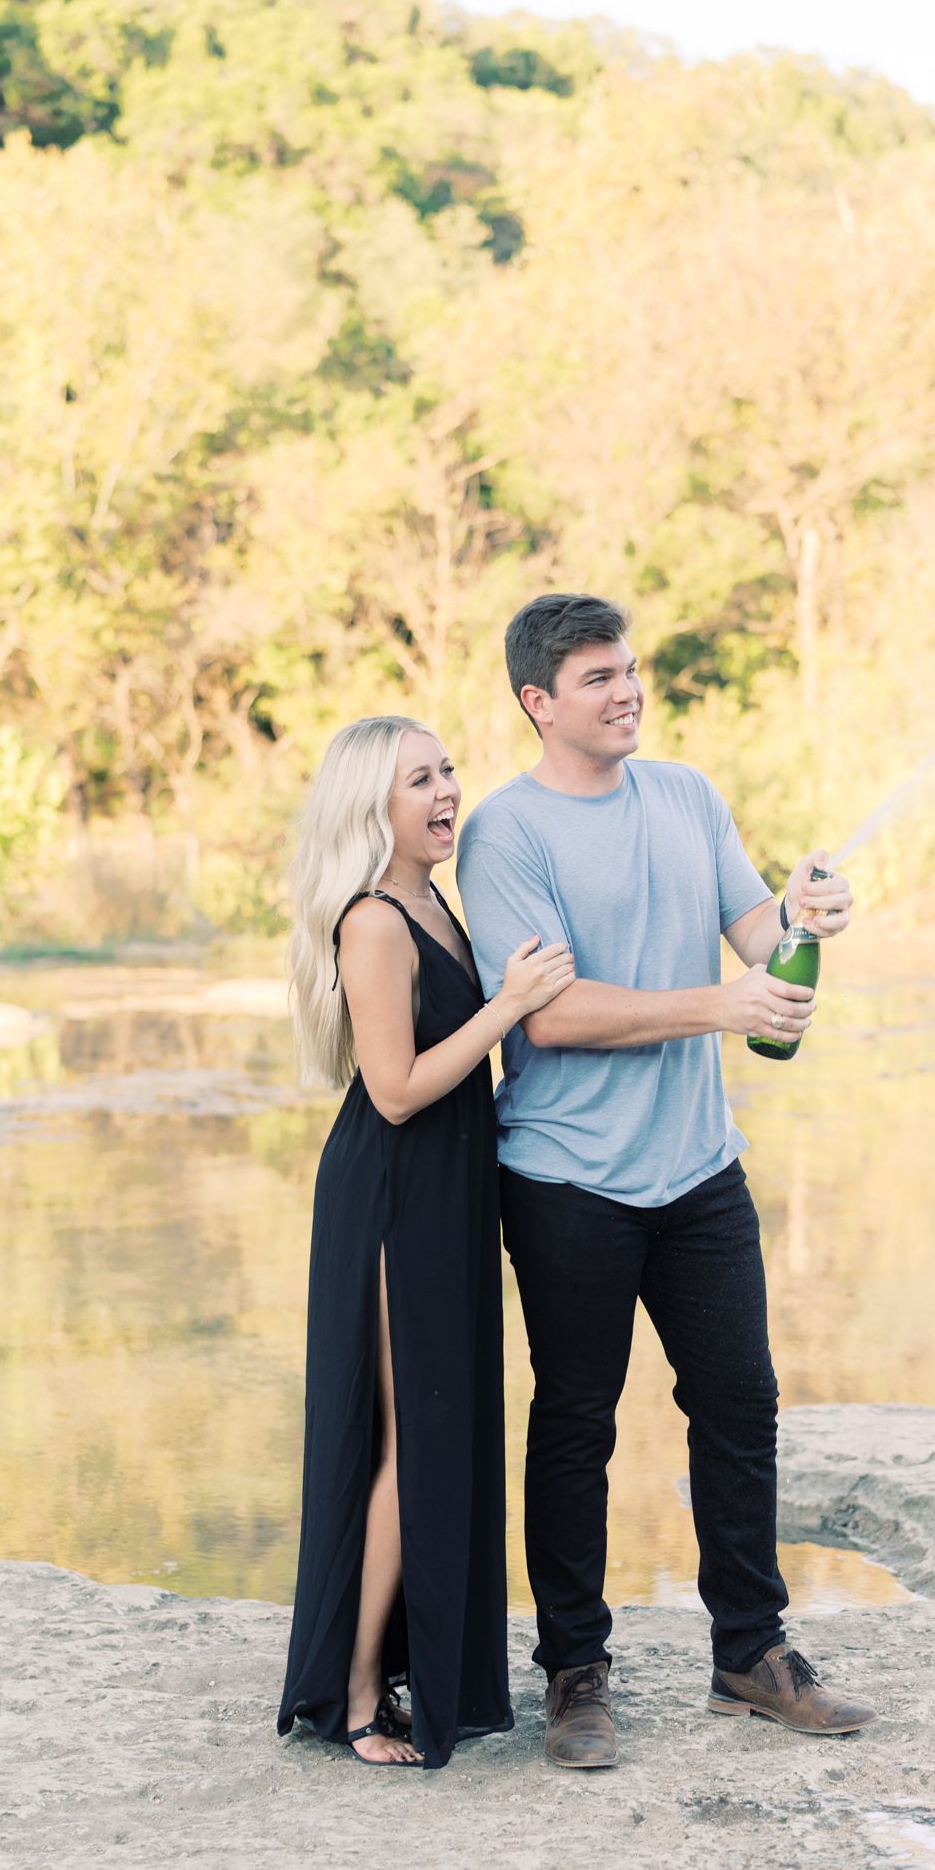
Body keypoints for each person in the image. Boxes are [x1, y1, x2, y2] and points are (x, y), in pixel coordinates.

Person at [456, 595, 877, 1768]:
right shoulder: (506, 835)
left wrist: (804, 920)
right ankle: (575, 1675)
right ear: (539, 702)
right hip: (565, 1180)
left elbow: (758, 941)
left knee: (739, 1406)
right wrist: (719, 1006)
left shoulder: (687, 796)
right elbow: (555, 1011)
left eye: (630, 670)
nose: (626, 690)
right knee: (576, 1424)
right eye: (597, 678)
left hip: (697, 1172)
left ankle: (750, 1653)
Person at [277, 715, 574, 1767]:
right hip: (395, 1198)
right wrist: (510, 1007)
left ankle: (391, 1669)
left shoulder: (428, 902)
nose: (448, 791)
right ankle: (357, 1697)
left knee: (439, 1435)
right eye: (420, 779)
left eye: (448, 770)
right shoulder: (374, 922)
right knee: (406, 1447)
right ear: (374, 805)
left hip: (446, 1193)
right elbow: (396, 1091)